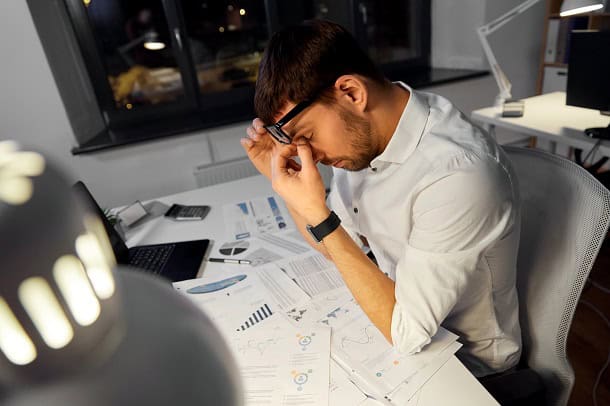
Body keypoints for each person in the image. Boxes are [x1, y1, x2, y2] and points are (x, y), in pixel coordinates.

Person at [241, 20, 521, 377]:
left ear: (353, 93)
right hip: (396, 324)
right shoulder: (365, 139)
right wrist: (280, 180)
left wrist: (320, 215)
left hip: (468, 369)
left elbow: (407, 333)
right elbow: (337, 249)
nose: (312, 155)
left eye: (308, 136)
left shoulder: (458, 175)